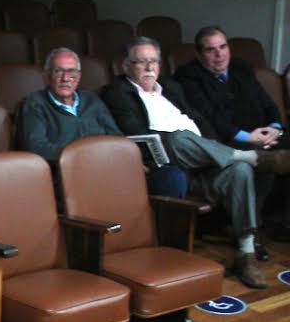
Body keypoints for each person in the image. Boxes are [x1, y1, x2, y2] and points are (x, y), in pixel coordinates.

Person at [101, 36, 290, 289]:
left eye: (153, 61)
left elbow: (200, 121)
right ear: (126, 66)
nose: (149, 67)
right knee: (178, 138)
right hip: (169, 160)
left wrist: (210, 149)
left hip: (203, 160)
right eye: (141, 62)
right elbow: (136, 133)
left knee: (240, 170)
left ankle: (246, 253)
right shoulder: (117, 93)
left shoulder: (171, 87)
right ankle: (255, 157)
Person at [18, 48, 187, 196]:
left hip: (110, 167)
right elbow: (36, 147)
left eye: (72, 72)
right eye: (58, 71)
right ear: (47, 76)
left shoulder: (91, 100)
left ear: (79, 76)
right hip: (71, 175)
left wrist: (131, 159)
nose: (66, 78)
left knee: (171, 177)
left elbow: (116, 136)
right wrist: (85, 157)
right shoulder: (35, 104)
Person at [175, 25, 290, 241]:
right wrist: (249, 137)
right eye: (211, 50)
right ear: (199, 54)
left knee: (280, 150)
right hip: (227, 140)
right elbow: (209, 118)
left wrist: (274, 128)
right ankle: (250, 231)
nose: (219, 55)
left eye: (223, 47)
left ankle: (286, 224)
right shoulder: (188, 76)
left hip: (264, 134)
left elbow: (268, 105)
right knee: (265, 163)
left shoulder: (241, 69)